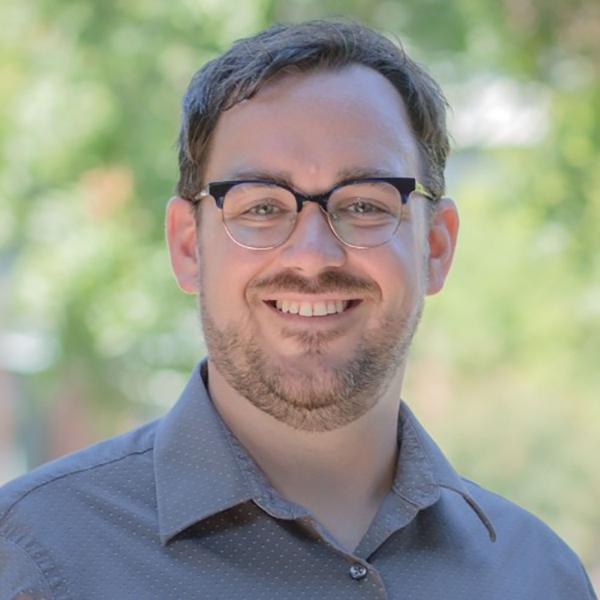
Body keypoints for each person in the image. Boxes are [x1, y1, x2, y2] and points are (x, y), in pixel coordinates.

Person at [0, 19, 596, 600]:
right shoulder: (36, 559)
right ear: (188, 246)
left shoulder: (538, 576)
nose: (312, 257)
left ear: (435, 247)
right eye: (260, 207)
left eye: (365, 203)